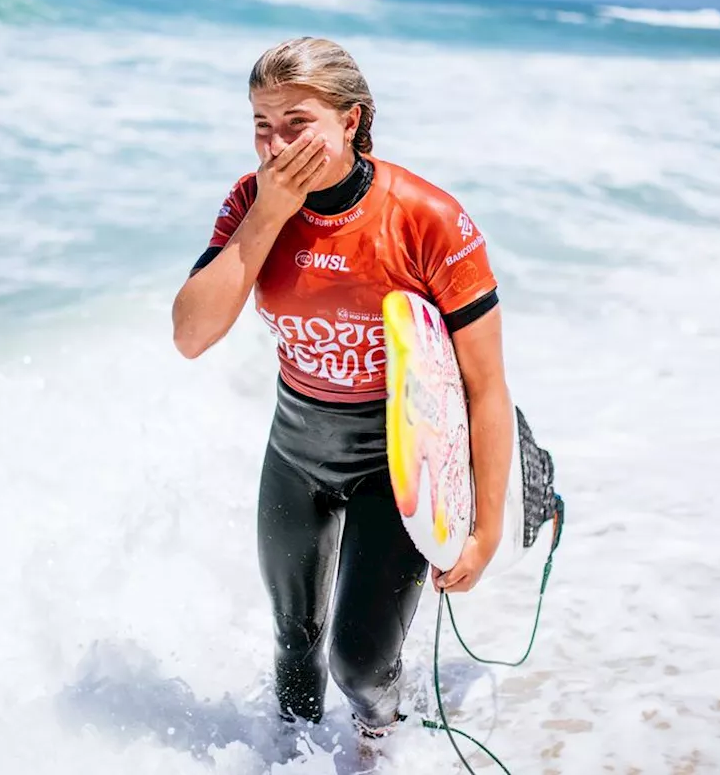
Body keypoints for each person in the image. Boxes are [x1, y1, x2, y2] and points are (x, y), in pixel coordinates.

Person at [171, 37, 515, 739]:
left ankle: (378, 746)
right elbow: (191, 335)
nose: (276, 143)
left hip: (398, 462)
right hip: (297, 449)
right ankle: (288, 759)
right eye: (262, 125)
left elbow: (484, 386)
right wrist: (268, 213)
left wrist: (484, 529)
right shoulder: (251, 200)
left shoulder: (427, 218)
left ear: (352, 120)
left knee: (358, 666)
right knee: (295, 650)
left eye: (297, 123)